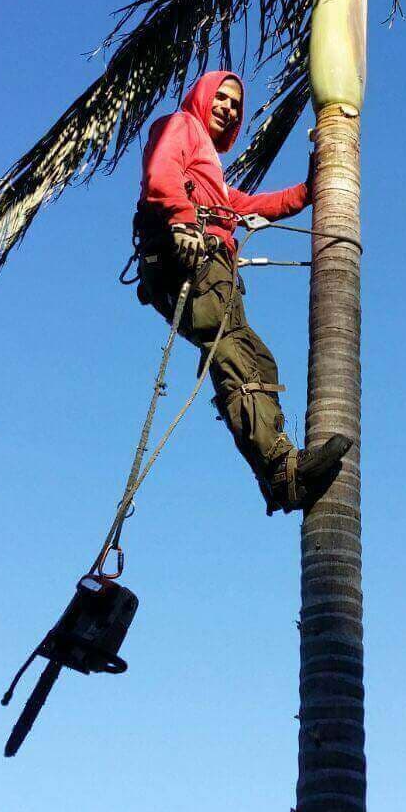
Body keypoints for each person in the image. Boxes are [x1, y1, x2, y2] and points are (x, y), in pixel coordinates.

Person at [135, 69, 351, 513]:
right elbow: (161, 173)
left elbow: (243, 206)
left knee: (257, 359)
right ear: (202, 96)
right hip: (191, 263)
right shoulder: (180, 126)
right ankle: (279, 470)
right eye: (222, 98)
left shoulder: (209, 169)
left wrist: (308, 192)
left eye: (235, 104)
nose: (229, 108)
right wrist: (180, 217)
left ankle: (282, 474)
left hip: (211, 267)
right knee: (233, 355)